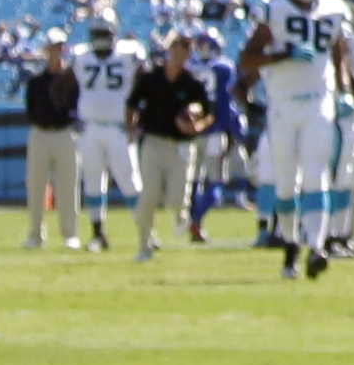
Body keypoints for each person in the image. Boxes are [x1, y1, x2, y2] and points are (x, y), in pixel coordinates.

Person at [258, 0, 354, 274]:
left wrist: (343, 89)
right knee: (287, 183)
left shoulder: (333, 10)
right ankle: (290, 244)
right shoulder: (273, 11)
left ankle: (316, 247)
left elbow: (338, 50)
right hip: (283, 103)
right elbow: (248, 58)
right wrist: (281, 55)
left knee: (318, 174)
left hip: (318, 100)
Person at [127, 32, 210, 265]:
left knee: (176, 199)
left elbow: (208, 112)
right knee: (149, 195)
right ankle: (145, 245)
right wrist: (131, 128)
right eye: (175, 48)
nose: (178, 53)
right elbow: (132, 104)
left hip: (181, 146)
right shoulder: (151, 78)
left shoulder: (192, 83)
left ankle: (181, 215)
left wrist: (196, 125)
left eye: (184, 49)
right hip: (153, 142)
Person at [70, 23, 139, 250]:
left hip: (119, 127)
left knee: (129, 179)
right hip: (90, 127)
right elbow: (66, 87)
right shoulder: (81, 57)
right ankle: (98, 233)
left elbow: (143, 85)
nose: (100, 38)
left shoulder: (129, 56)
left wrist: (137, 116)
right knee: (92, 179)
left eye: (103, 34)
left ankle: (146, 230)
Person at [18, 33, 84, 248]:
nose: (57, 51)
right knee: (36, 185)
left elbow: (78, 108)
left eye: (60, 47)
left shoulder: (72, 80)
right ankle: (35, 234)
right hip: (40, 133)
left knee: (68, 185)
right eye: (53, 47)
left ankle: (70, 234)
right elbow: (31, 109)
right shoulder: (37, 81)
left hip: (65, 134)